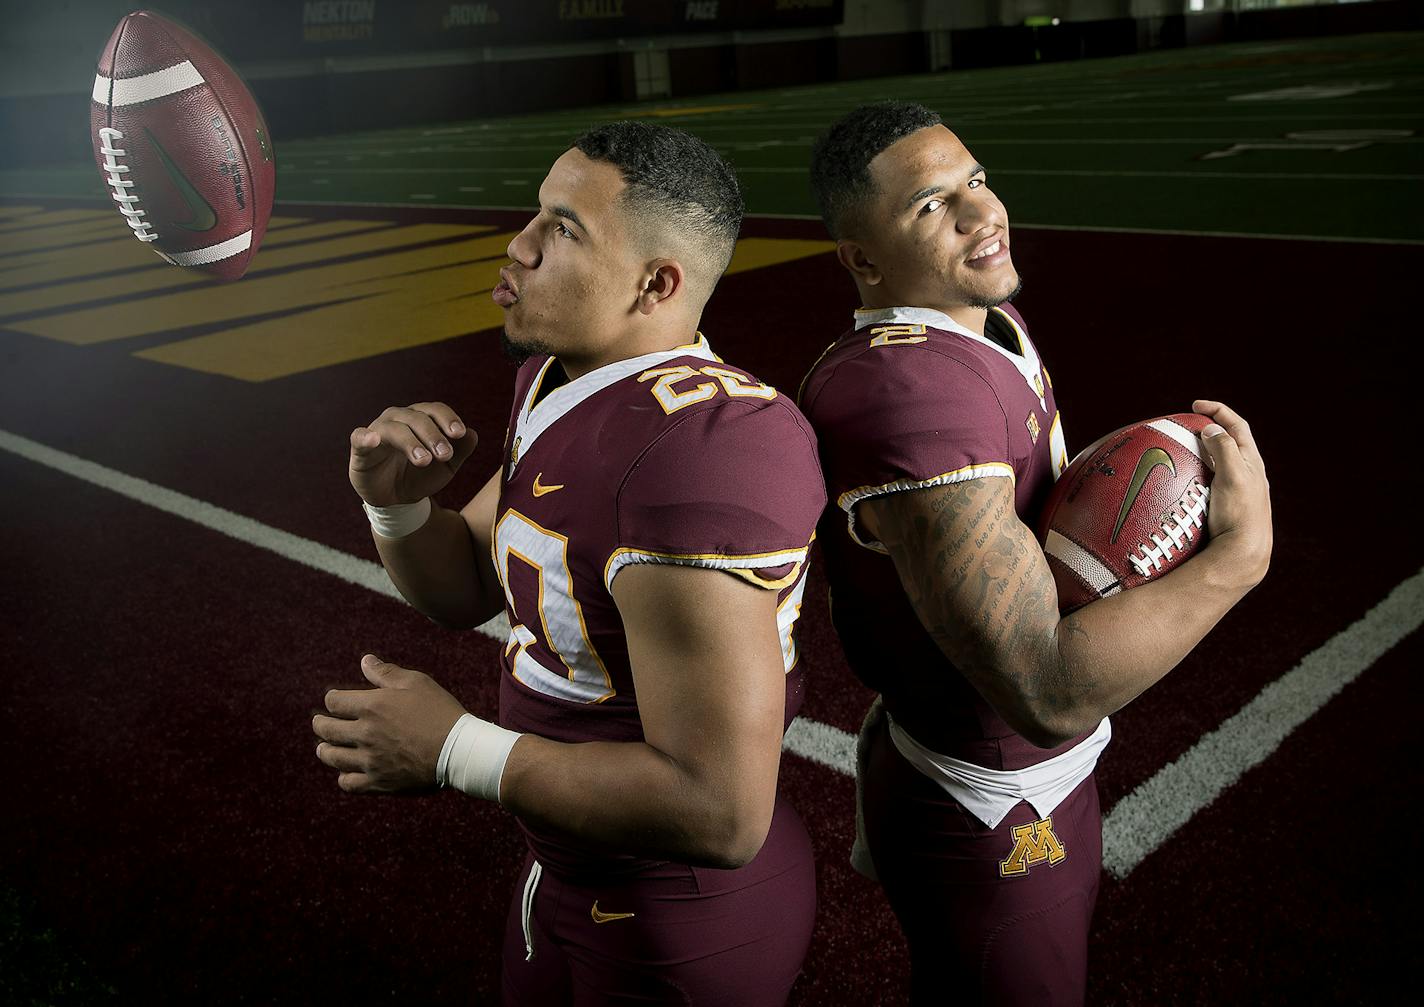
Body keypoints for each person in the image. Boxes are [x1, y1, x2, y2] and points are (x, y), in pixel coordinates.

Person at [312, 122, 825, 1006]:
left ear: (655, 283)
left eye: (564, 227)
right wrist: (394, 501)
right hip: (562, 871)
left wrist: (452, 748)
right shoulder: (562, 374)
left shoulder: (701, 449)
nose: (519, 244)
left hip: (680, 917)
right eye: (536, 214)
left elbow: (720, 807)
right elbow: (470, 583)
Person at [798, 102, 1273, 1005]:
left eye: (975, 180)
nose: (983, 213)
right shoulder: (912, 398)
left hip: (1008, 770)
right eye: (931, 207)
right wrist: (1239, 556)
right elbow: (1048, 689)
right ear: (862, 259)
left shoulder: (979, 318)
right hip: (988, 795)